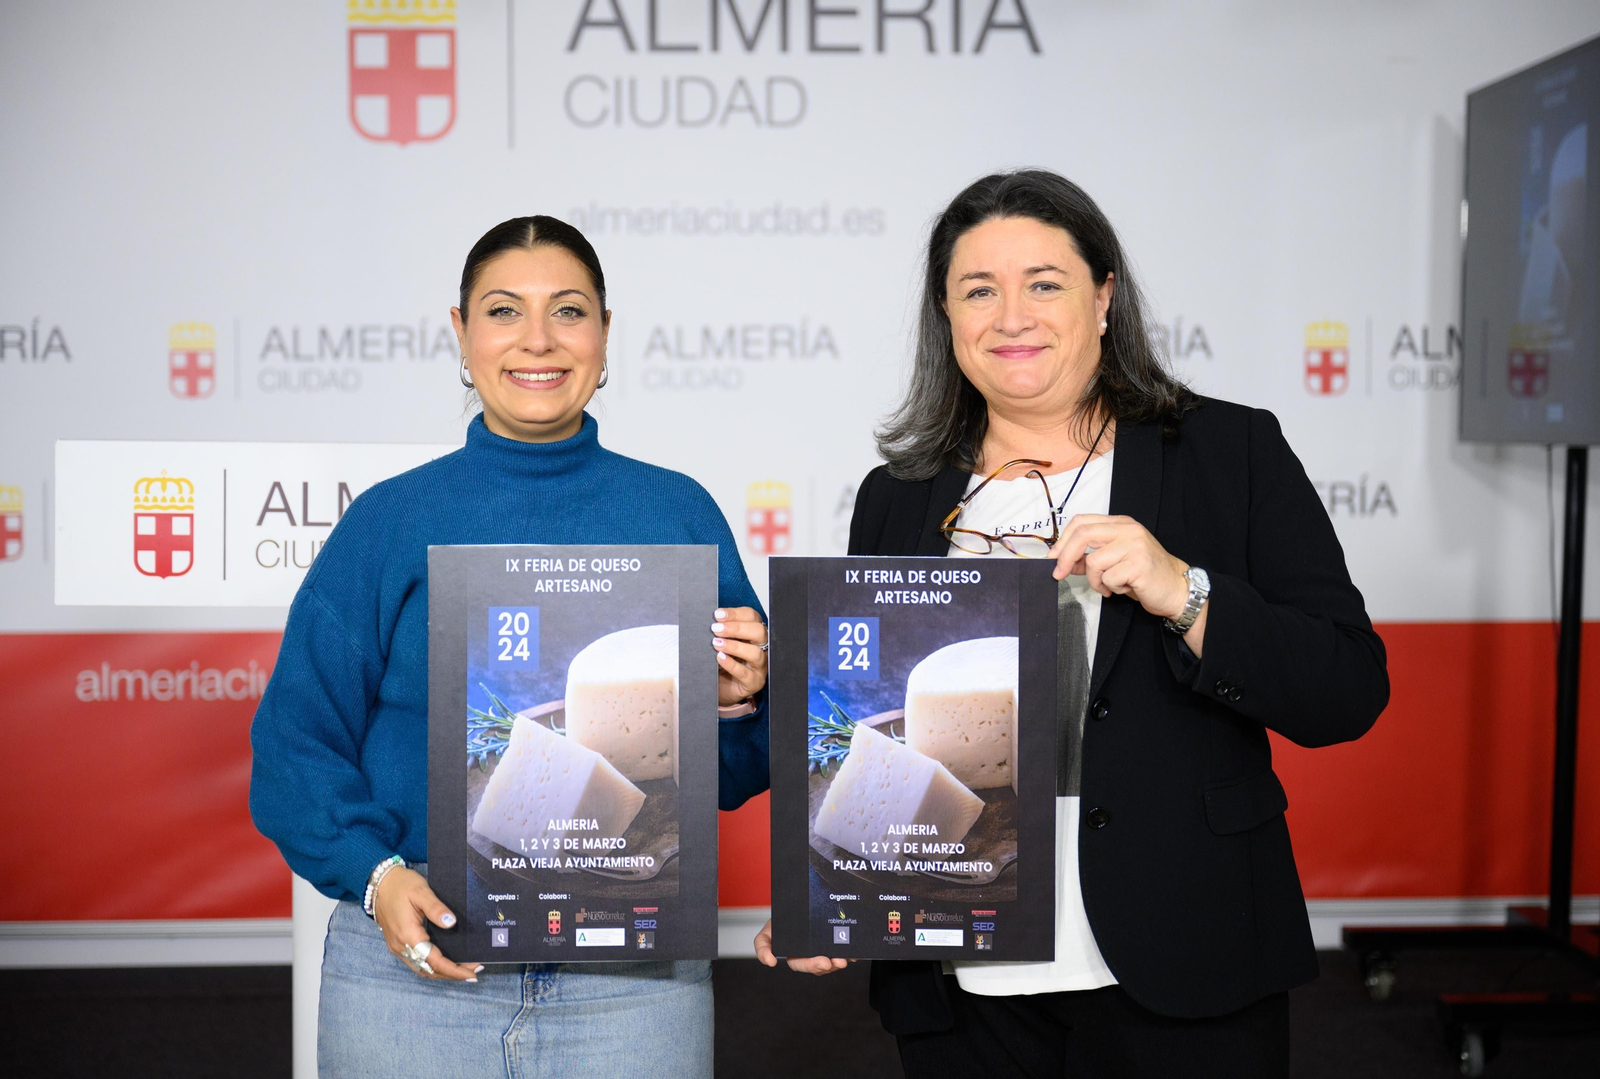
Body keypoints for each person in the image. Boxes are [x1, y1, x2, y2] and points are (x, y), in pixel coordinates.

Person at [755, 170, 1388, 1078]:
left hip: (1181, 961)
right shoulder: (896, 498)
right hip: (959, 985)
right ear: (947, 316)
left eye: (1043, 283)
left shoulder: (1228, 453)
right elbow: (876, 732)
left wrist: (1184, 592)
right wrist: (834, 886)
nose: (1011, 315)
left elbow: (1347, 689)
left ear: (1103, 299)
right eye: (979, 290)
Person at [250, 216, 769, 1078]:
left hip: (631, 978)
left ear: (605, 336)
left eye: (568, 311)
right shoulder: (390, 520)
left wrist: (744, 695)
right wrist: (374, 878)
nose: (538, 340)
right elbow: (296, 741)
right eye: (503, 311)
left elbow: (738, 768)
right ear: (461, 333)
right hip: (413, 967)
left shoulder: (678, 513)